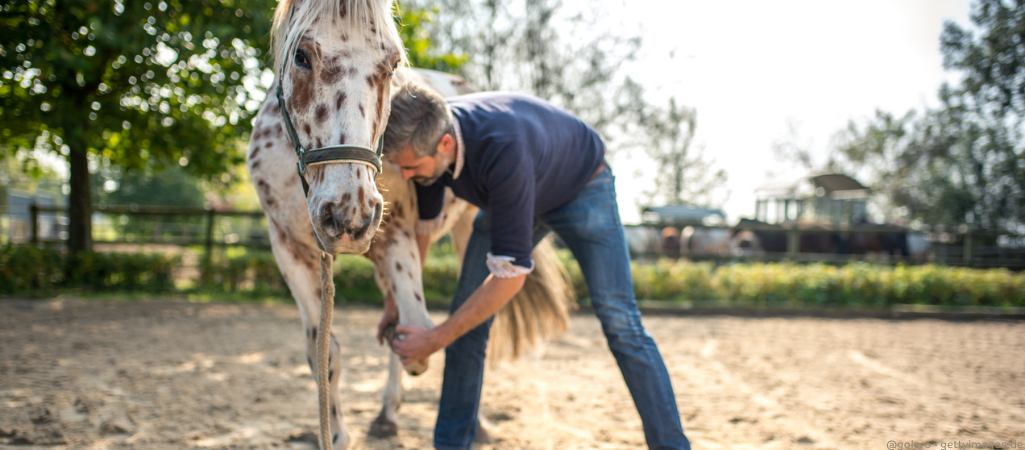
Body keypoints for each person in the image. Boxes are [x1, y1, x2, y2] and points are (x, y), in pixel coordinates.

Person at [377, 81, 691, 450]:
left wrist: (433, 339)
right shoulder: (425, 148)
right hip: (516, 188)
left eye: (411, 167)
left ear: (445, 145)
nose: (408, 176)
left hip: (582, 188)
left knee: (621, 321)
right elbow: (424, 232)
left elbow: (509, 280)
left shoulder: (500, 149)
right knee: (466, 324)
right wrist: (397, 303)